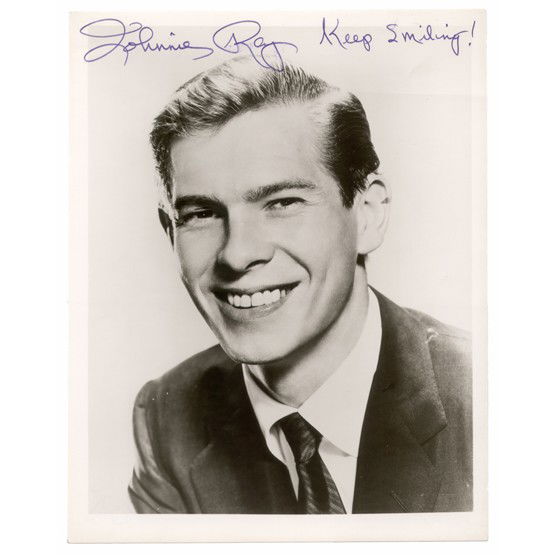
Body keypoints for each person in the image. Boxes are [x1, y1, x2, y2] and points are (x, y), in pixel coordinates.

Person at [128, 56, 472, 514]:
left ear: (367, 215)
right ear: (169, 232)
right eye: (201, 214)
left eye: (282, 202)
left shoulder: (486, 392)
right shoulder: (164, 419)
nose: (237, 255)